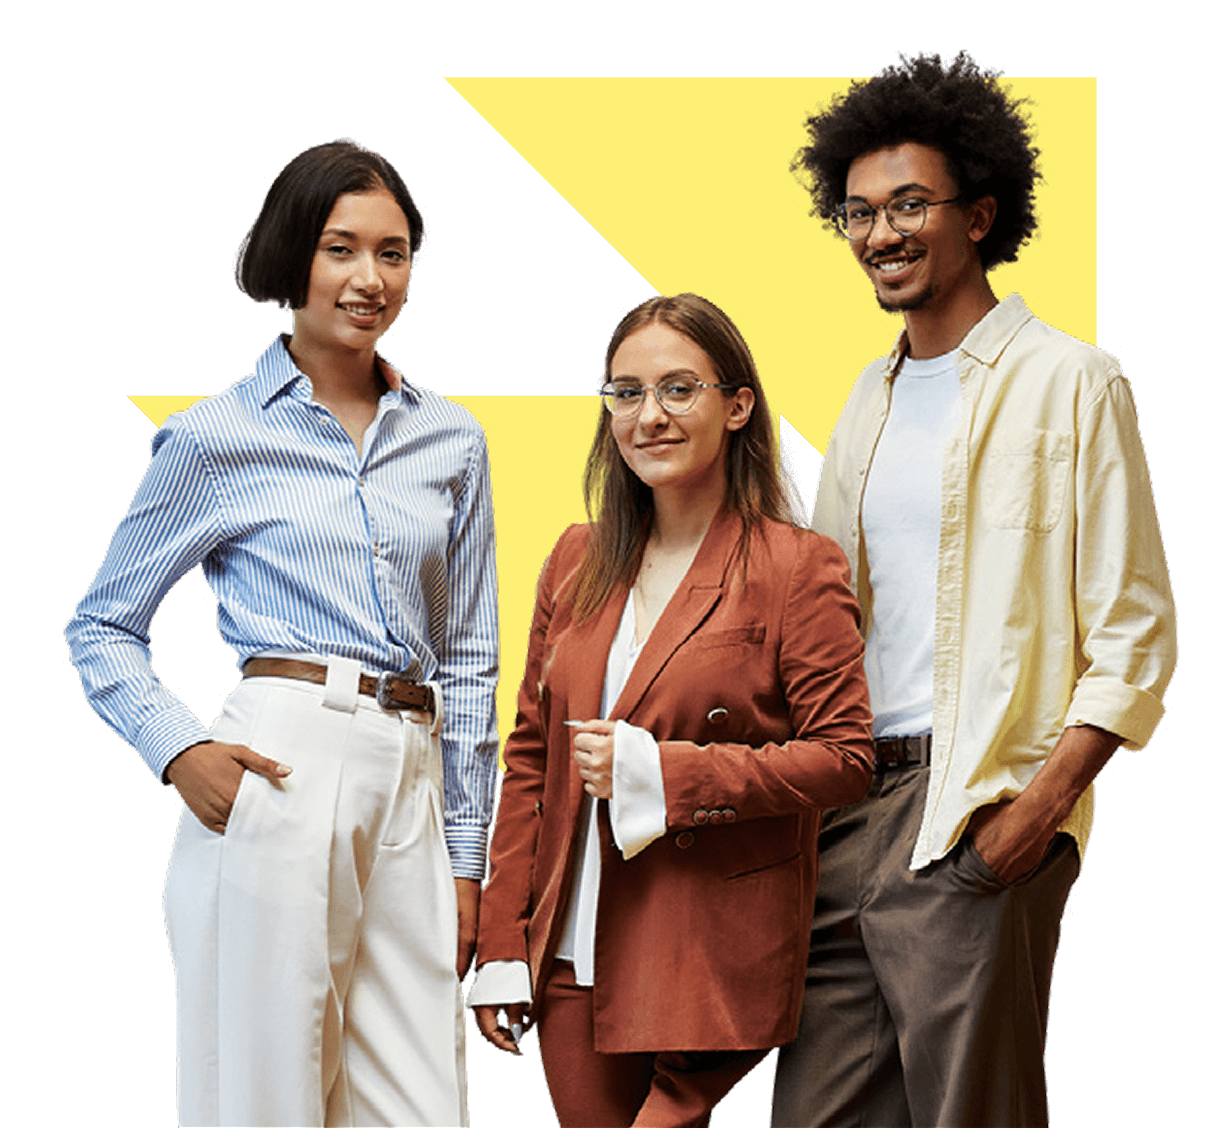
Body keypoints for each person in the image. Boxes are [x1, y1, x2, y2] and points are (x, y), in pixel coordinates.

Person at [769, 54, 1178, 1128]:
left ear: (979, 211)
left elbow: (1134, 635)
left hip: (972, 812)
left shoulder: (1072, 382)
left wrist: (1032, 818)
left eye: (908, 204)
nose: (880, 234)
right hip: (850, 810)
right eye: (856, 213)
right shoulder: (864, 395)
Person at [65, 138, 498, 1127]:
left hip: (414, 779)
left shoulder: (451, 437)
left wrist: (468, 853)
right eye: (339, 248)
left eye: (392, 253)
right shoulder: (214, 437)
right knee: (264, 1101)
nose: (368, 277)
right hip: (280, 764)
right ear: (289, 257)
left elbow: (469, 657)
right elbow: (104, 625)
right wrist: (178, 751)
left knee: (421, 1106)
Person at [467, 293, 875, 1127]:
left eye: (678, 389)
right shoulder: (576, 559)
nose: (648, 415)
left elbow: (846, 757)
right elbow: (533, 763)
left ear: (738, 406)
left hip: (710, 944)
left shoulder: (796, 566)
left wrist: (666, 772)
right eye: (625, 393)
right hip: (573, 949)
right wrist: (506, 945)